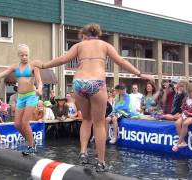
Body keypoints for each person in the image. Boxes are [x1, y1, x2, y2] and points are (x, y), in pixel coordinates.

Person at [33, 23, 153, 171]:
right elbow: (121, 61)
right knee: (99, 123)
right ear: (98, 34)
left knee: (86, 119)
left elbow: (63, 59)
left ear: (85, 35)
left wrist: (44, 65)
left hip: (78, 83)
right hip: (96, 83)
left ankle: (83, 153)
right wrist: (140, 74)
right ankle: (101, 162)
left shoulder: (79, 45)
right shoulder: (104, 45)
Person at [0, 44, 43, 155]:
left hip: (31, 95)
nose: (24, 57)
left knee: (25, 122)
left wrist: (39, 89)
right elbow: (0, 75)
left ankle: (31, 146)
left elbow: (39, 81)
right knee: (17, 125)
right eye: (22, 55)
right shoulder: (15, 67)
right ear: (19, 56)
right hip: (21, 97)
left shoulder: (33, 66)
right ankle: (31, 142)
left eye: (26, 55)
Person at [172, 83, 192, 152]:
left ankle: (178, 143)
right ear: (187, 92)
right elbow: (183, 108)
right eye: (189, 92)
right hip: (186, 114)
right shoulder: (185, 99)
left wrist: (187, 113)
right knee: (177, 123)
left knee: (185, 123)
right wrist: (183, 114)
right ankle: (183, 142)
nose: (191, 94)